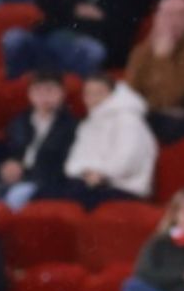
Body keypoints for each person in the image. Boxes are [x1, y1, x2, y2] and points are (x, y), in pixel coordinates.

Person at [3, 0, 154, 77]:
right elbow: (45, 1)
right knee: (14, 38)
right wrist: (75, 9)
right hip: (52, 36)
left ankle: (52, 84)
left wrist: (68, 9)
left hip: (86, 46)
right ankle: (30, 86)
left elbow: (116, 28)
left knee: (92, 50)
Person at [47, 74, 155, 209]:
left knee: (66, 200)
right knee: (45, 194)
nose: (92, 98)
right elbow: (73, 161)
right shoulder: (88, 124)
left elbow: (129, 160)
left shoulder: (128, 120)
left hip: (124, 187)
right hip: (89, 182)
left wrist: (101, 174)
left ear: (113, 94)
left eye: (99, 93)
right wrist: (86, 172)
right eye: (88, 93)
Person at [125, 0, 184, 139]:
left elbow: (172, 98)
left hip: (172, 120)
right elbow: (131, 92)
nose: (173, 21)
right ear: (156, 18)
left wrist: (162, 59)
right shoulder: (142, 50)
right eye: (167, 15)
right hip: (148, 112)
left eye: (180, 15)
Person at [0, 71, 77, 210]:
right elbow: (9, 152)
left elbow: (66, 163)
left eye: (50, 90)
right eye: (38, 91)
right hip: (14, 178)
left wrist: (31, 173)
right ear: (29, 94)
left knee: (17, 195)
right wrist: (7, 166)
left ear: (62, 94)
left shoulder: (71, 126)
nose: (44, 96)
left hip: (45, 182)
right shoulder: (19, 121)